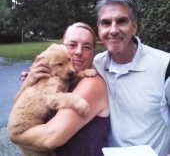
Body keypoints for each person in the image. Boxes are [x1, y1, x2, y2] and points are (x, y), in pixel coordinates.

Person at [10, 22, 109, 156]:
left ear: (93, 53)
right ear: (61, 47)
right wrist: (28, 84)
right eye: (72, 45)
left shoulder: (93, 83)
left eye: (86, 47)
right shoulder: (59, 76)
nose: (79, 51)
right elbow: (17, 106)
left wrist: (15, 137)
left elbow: (49, 138)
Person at [93, 0, 170, 156]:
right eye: (106, 23)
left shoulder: (165, 66)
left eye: (121, 21)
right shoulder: (95, 65)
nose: (113, 30)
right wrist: (33, 78)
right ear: (99, 30)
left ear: (134, 27)